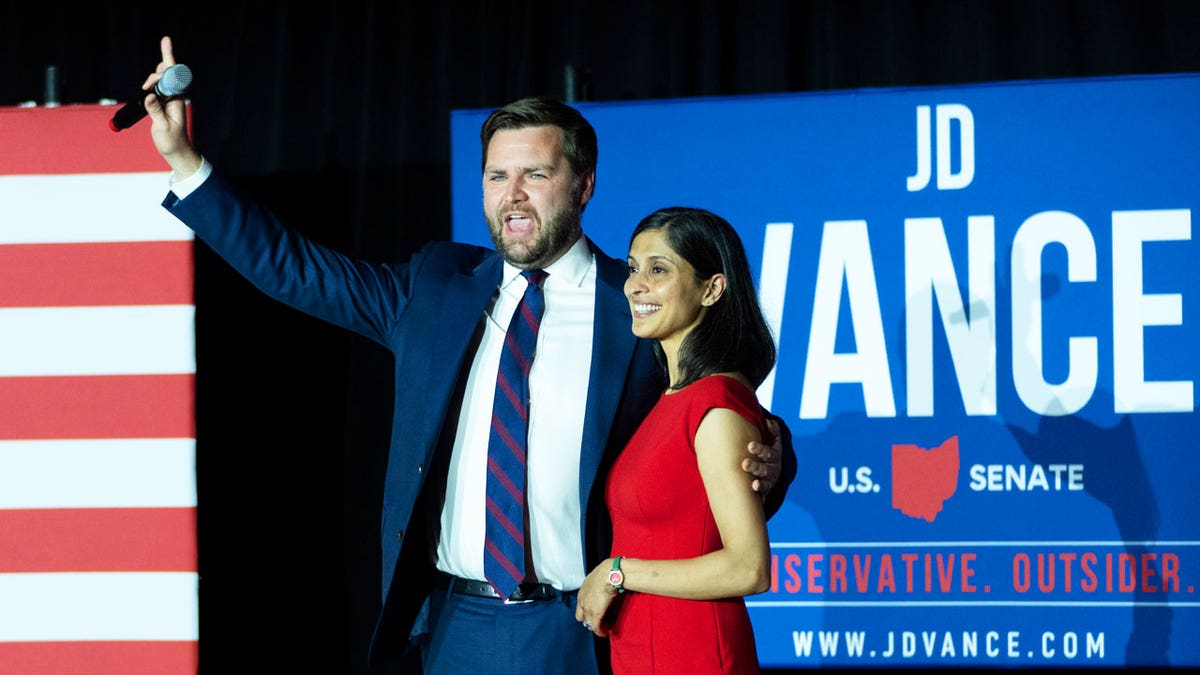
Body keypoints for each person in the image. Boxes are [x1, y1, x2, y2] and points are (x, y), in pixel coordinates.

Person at [140, 36, 796, 675]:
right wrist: (187, 164)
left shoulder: (638, 305)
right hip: (458, 626)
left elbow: (712, 412)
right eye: (496, 176)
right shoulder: (433, 291)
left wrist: (774, 454)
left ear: (584, 183)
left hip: (588, 627)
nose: (512, 195)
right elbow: (298, 270)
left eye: (535, 174)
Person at [575, 207, 775, 674]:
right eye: (633, 268)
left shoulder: (716, 403)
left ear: (711, 289)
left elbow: (750, 567)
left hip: (694, 652)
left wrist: (617, 573)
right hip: (642, 652)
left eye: (658, 270)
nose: (635, 285)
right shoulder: (669, 399)